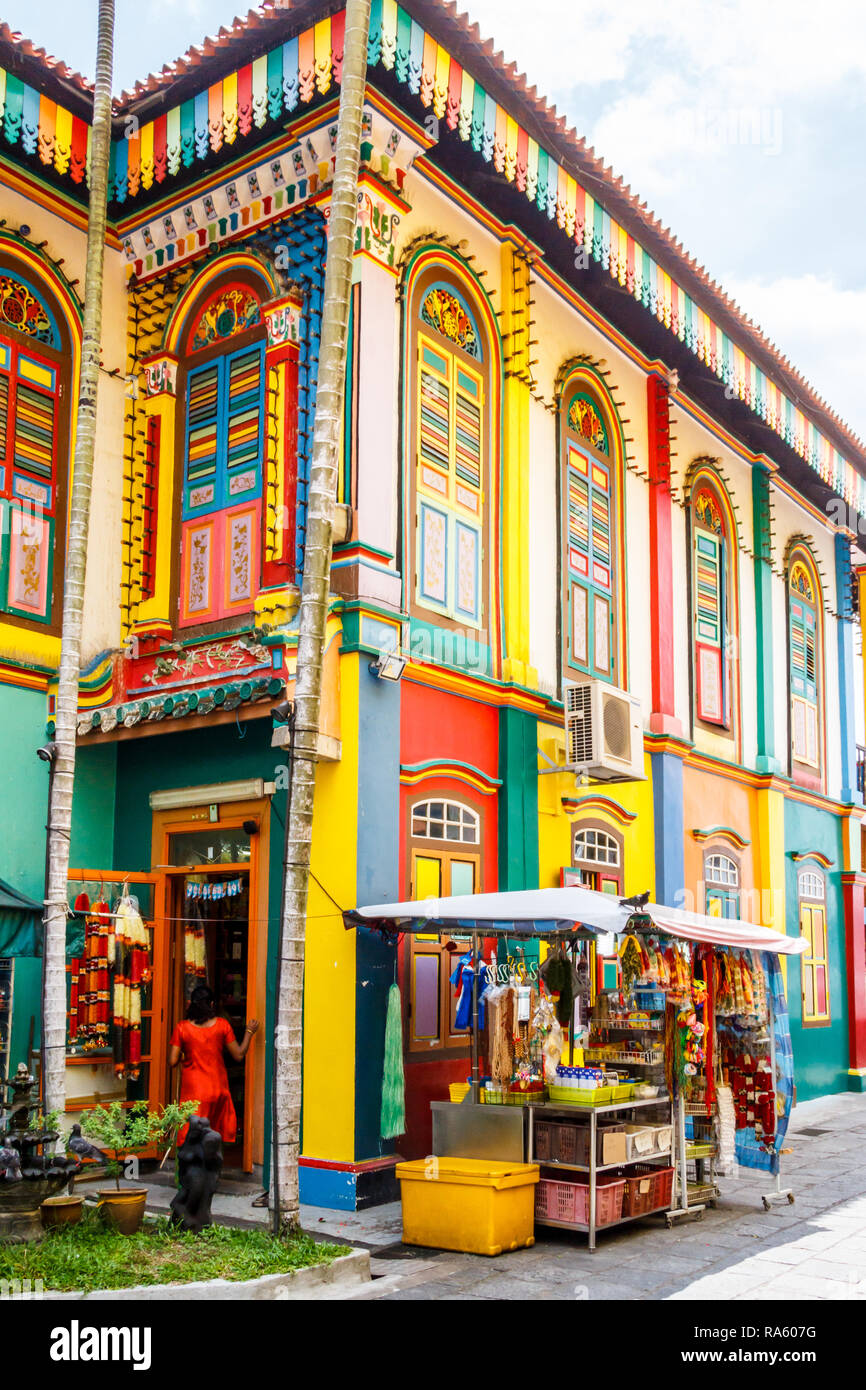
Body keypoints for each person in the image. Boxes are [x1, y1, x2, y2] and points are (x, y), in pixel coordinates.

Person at [168, 984, 259, 1146]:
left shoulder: (182, 1028)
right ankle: (213, 1167)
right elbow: (238, 1054)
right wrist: (249, 1032)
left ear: (190, 1003)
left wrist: (185, 1055)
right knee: (214, 1135)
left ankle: (189, 1169)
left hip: (193, 1090)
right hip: (217, 1088)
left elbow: (172, 1061)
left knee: (191, 1135)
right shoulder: (222, 1025)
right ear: (211, 1005)